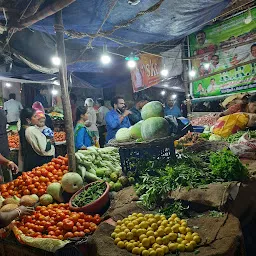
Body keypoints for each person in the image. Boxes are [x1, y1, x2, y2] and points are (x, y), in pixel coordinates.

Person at [19, 108, 55, 172]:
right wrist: (49, 141)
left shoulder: (22, 129)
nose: (37, 118)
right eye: (35, 116)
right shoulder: (31, 130)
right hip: (38, 162)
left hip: (29, 161)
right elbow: (43, 148)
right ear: (28, 120)